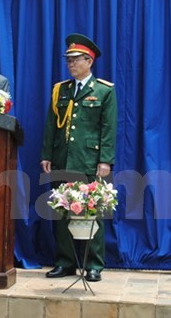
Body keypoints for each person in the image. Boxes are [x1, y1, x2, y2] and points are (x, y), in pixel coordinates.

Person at [40, 33, 117, 282]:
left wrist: (105, 160)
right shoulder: (60, 90)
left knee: (91, 211)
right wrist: (47, 155)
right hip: (63, 158)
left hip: (89, 159)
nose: (71, 64)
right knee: (62, 211)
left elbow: (108, 127)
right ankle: (65, 262)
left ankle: (94, 264)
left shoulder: (104, 91)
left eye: (76, 60)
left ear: (89, 61)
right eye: (69, 60)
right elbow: (51, 126)